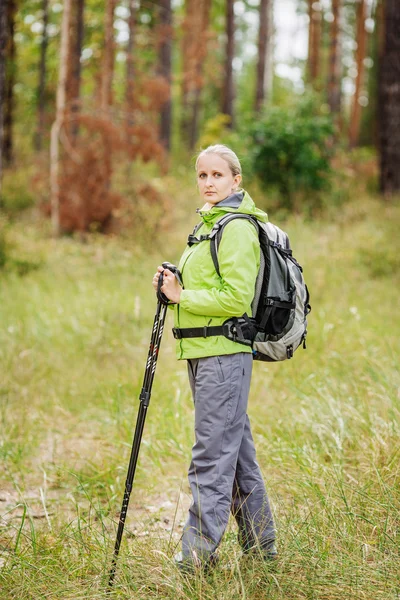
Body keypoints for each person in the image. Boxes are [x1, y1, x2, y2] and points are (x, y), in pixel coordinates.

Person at [152, 144, 276, 572]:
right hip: (205, 351)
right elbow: (207, 287)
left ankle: (196, 557)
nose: (208, 183)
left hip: (223, 353)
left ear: (236, 180)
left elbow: (236, 297)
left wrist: (183, 295)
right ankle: (263, 549)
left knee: (210, 456)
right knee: (236, 454)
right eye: (202, 175)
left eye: (217, 176)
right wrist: (173, 283)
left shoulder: (237, 227)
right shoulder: (208, 225)